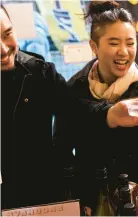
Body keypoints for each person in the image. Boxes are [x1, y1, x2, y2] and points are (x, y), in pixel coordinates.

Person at [53, 1, 138, 212]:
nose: (124, 52)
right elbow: (61, 147)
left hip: (135, 192)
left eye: (130, 43)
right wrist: (71, 196)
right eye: (114, 43)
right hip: (88, 193)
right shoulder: (75, 87)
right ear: (94, 47)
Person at [0, 4, 75, 209]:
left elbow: (77, 113)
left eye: (7, 34)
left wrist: (110, 114)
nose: (3, 49)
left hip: (43, 195)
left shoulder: (40, 73)